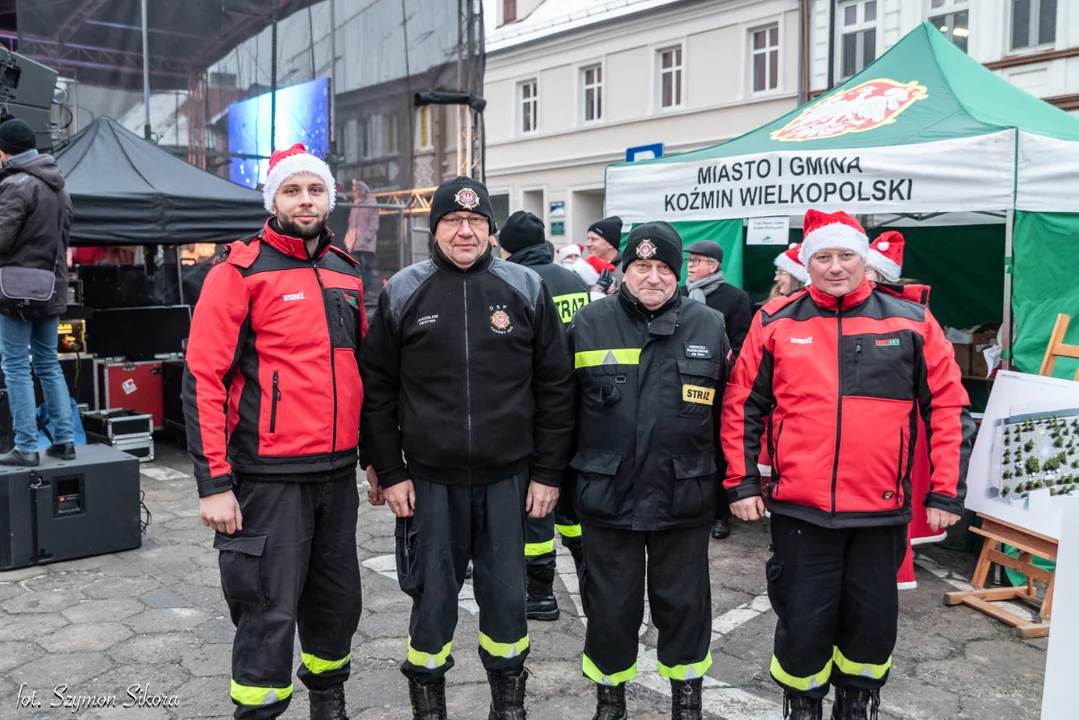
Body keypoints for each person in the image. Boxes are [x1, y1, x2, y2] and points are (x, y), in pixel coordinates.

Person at [721, 209, 975, 720]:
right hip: (800, 508)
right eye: (823, 256)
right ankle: (802, 705)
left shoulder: (911, 320)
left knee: (872, 620)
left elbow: (948, 407)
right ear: (807, 262)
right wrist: (741, 482)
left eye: (845, 256)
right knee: (802, 618)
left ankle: (857, 705)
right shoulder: (774, 321)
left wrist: (946, 491)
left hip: (880, 509)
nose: (835, 267)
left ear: (864, 259)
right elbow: (742, 404)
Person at [360, 177, 574, 720]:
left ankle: (509, 706)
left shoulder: (524, 287)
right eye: (452, 222)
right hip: (429, 482)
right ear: (434, 230)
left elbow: (554, 385)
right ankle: (429, 706)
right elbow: (377, 388)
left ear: (490, 231)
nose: (464, 232)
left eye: (475, 223)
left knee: (507, 603)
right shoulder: (404, 289)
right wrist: (390, 469)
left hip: (510, 482)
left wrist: (548, 473)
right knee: (432, 605)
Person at [183, 143, 366, 720]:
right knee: (266, 613)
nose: (305, 200)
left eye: (315, 189)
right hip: (268, 478)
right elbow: (202, 379)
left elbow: (361, 370)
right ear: (274, 200)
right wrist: (214, 482)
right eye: (292, 190)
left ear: (328, 198)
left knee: (337, 607)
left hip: (337, 476)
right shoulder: (238, 271)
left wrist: (379, 462)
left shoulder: (346, 270)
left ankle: (328, 706)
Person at [568, 222, 731, 720]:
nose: (654, 277)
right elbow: (559, 412)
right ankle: (610, 701)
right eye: (642, 266)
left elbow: (728, 413)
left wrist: (731, 491)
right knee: (611, 611)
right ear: (624, 270)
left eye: (664, 267)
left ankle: (687, 701)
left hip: (684, 495)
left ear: (678, 272)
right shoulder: (588, 323)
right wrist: (549, 481)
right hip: (607, 494)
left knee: (684, 608)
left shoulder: (709, 324)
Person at [497, 210, 590, 620]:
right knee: (568, 498)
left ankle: (540, 590)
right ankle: (587, 563)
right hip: (580, 404)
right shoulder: (572, 278)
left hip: (536, 408)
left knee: (535, 504)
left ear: (507, 246)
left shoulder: (514, 281)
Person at [0, 118, 76, 466]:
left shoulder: (17, 184)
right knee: (48, 363)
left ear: (6, 151)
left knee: (15, 365)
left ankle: (26, 446)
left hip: (15, 292)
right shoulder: (60, 188)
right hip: (53, 288)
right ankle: (64, 441)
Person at [682, 240, 750, 541]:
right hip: (681, 383)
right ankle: (692, 506)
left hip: (718, 386)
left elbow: (740, 344)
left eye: (698, 261)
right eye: (690, 261)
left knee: (718, 449)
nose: (691, 266)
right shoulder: (679, 294)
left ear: (714, 265)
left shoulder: (734, 298)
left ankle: (720, 514)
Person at [338, 179, 380, 292]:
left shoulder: (371, 204)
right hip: (353, 243)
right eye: (355, 190)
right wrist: (348, 238)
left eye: (359, 189)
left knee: (367, 267)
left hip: (366, 242)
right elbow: (351, 224)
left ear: (365, 190)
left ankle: (367, 290)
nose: (357, 192)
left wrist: (367, 236)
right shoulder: (354, 205)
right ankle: (358, 289)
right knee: (356, 267)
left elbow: (374, 223)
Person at [585, 216, 623, 286]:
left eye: (594, 239)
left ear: (610, 244)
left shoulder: (625, 269)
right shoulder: (585, 267)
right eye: (588, 239)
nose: (587, 244)